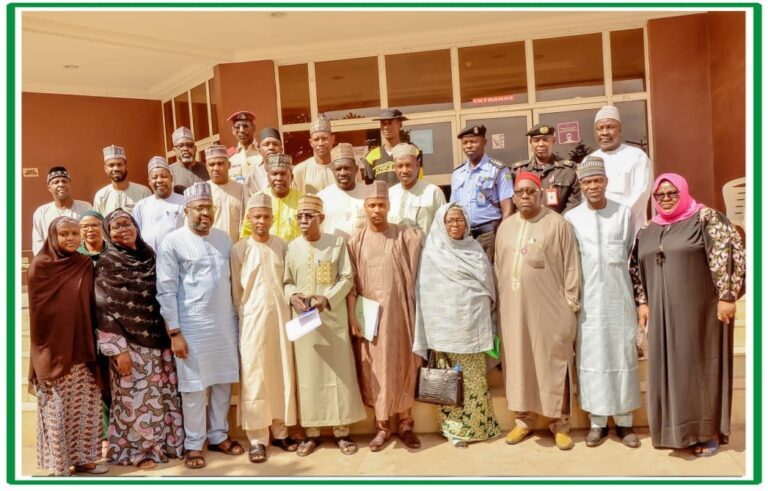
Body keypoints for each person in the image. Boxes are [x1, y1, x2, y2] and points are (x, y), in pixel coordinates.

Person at [629, 173, 745, 457]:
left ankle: (706, 433)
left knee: (700, 367)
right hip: (662, 312)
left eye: (672, 193)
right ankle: (676, 432)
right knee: (670, 370)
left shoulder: (707, 218)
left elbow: (729, 254)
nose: (666, 199)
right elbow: (635, 266)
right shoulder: (648, 228)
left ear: (683, 192)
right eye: (660, 195)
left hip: (702, 311)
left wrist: (727, 296)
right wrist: (643, 302)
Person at [156, 182, 243, 470]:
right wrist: (175, 332)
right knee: (193, 389)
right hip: (190, 327)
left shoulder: (224, 239)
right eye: (199, 208)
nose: (205, 213)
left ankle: (218, 435)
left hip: (224, 323)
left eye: (209, 208)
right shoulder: (173, 242)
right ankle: (194, 444)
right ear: (187, 210)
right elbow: (166, 290)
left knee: (221, 382)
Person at [495, 172, 581, 451]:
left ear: (540, 193)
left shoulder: (558, 224)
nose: (524, 197)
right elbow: (499, 268)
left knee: (553, 362)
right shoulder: (505, 227)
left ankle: (560, 423)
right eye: (519, 192)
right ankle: (523, 420)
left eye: (530, 192)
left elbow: (571, 268)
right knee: (520, 362)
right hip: (514, 309)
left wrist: (570, 304)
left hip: (551, 310)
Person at [94, 210, 184, 469]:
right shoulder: (108, 262)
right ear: (108, 234)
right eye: (115, 227)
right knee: (134, 402)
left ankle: (165, 445)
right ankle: (138, 453)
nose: (122, 229)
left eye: (126, 224)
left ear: (136, 226)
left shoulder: (149, 256)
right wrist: (117, 350)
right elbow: (103, 309)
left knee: (162, 398)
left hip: (159, 341)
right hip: (129, 346)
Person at [563, 157, 641, 448]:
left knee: (622, 356)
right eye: (587, 182)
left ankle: (624, 423)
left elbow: (634, 258)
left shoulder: (624, 214)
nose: (592, 186)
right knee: (593, 358)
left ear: (606, 182)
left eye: (597, 180)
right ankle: (597, 422)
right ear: (581, 186)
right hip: (589, 303)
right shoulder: (572, 218)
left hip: (620, 299)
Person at [283, 194, 367, 457]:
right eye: (300, 216)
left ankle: (342, 432)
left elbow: (347, 278)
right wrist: (292, 295)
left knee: (338, 375)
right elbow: (286, 281)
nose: (304, 220)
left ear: (321, 218)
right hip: (305, 323)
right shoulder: (291, 247)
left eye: (309, 216)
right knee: (309, 377)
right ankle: (312, 433)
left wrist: (326, 298)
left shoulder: (337, 243)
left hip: (333, 319)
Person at [412, 203, 501, 448]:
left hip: (472, 326)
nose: (454, 225)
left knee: (473, 380)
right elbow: (427, 292)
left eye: (459, 220)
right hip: (445, 328)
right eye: (449, 221)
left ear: (467, 223)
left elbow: (487, 287)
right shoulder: (432, 252)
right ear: (441, 224)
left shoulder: (474, 249)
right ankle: (454, 431)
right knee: (449, 381)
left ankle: (480, 426)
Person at [347, 181, 424, 451]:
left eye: (381, 205)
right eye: (372, 205)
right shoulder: (356, 240)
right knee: (375, 368)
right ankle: (381, 426)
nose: (376, 210)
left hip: (400, 314)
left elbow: (428, 247)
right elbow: (351, 284)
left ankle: (405, 424)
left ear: (389, 207)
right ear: (364, 207)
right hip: (369, 316)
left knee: (403, 362)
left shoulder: (404, 235)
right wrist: (353, 317)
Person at [28, 217, 106, 476]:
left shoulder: (84, 263)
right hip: (52, 349)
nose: (71, 238)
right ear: (53, 236)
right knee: (57, 408)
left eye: (75, 233)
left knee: (85, 406)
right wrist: (46, 352)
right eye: (64, 234)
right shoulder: (40, 266)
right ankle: (59, 464)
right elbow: (40, 314)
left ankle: (85, 459)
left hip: (81, 346)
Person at [231, 193, 298, 464]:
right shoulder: (239, 249)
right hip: (252, 322)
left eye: (266, 216)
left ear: (272, 218)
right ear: (248, 218)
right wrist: (246, 317)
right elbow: (237, 291)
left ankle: (281, 432)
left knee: (281, 372)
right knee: (255, 378)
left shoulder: (282, 245)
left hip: (281, 321)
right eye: (256, 216)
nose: (261, 221)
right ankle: (258, 439)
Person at [450, 124, 513, 261]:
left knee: (491, 276)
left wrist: (502, 235)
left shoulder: (499, 170)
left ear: (484, 142)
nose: (469, 146)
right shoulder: (457, 173)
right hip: (464, 236)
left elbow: (507, 208)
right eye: (465, 143)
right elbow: (453, 207)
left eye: (473, 141)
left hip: (489, 235)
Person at [590, 105, 653, 232]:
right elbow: (584, 196)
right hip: (598, 228)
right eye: (600, 128)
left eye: (610, 127)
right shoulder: (590, 160)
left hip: (630, 227)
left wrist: (618, 218)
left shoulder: (637, 156)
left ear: (620, 129)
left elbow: (642, 192)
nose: (604, 133)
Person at [511, 123, 580, 214]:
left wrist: (559, 221)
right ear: (530, 143)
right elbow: (512, 203)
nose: (541, 144)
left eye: (545, 140)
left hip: (557, 225)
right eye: (536, 140)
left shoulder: (567, 170)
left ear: (553, 141)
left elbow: (575, 201)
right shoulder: (519, 171)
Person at [388, 143, 446, 237]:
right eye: (400, 166)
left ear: (417, 165)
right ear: (395, 168)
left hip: (425, 250)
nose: (404, 171)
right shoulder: (390, 194)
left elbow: (444, 227)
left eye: (408, 165)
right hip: (396, 250)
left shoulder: (433, 192)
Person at [239, 154, 301, 242]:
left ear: (292, 177)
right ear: (268, 177)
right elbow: (246, 232)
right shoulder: (257, 198)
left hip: (294, 253)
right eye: (274, 174)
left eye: (283, 174)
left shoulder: (302, 200)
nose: (279, 178)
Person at [32, 166, 92, 255]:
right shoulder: (41, 212)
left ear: (69, 184)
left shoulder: (86, 207)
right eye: (56, 182)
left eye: (64, 181)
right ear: (49, 188)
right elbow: (38, 242)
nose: (61, 184)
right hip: (52, 263)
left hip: (81, 261)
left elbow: (92, 236)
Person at [132, 156, 185, 252]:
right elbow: (136, 235)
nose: (159, 180)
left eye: (163, 176)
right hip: (150, 261)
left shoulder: (183, 202)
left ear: (171, 178)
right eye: (154, 177)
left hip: (178, 258)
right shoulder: (140, 206)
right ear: (149, 181)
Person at [318, 143, 369, 240]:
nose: (343, 173)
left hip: (363, 252)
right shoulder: (322, 197)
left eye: (347, 168)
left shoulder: (369, 193)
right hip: (333, 253)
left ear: (356, 169)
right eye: (338, 169)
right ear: (332, 171)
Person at [363, 108, 421, 187]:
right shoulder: (371, 156)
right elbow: (369, 187)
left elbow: (419, 180)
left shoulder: (413, 151)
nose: (386, 127)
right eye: (383, 123)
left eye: (389, 123)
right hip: (383, 199)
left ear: (399, 125)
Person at [93, 145, 151, 216]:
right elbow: (98, 223)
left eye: (119, 164)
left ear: (126, 167)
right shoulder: (100, 196)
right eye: (111, 165)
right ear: (105, 169)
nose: (116, 169)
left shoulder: (143, 192)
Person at [206, 144, 246, 243]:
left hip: (237, 248)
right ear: (206, 167)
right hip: (212, 249)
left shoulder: (241, 189)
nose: (215, 168)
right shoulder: (203, 190)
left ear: (228, 165)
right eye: (211, 164)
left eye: (220, 164)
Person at [292, 115, 336, 194]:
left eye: (324, 138)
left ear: (332, 139)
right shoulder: (300, 170)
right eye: (316, 139)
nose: (321, 143)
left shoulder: (343, 168)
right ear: (311, 142)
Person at [169, 127, 209, 194]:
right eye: (181, 146)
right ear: (174, 150)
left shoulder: (206, 169)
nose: (185, 149)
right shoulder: (169, 172)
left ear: (195, 148)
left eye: (190, 145)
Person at [243, 127, 283, 196]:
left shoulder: (292, 172)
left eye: (275, 144)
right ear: (259, 150)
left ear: (281, 149)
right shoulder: (252, 176)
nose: (271, 148)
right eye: (266, 144)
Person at [226, 110, 259, 184]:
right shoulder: (228, 157)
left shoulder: (263, 152)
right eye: (237, 127)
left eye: (245, 126)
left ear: (254, 128)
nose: (241, 130)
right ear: (233, 131)